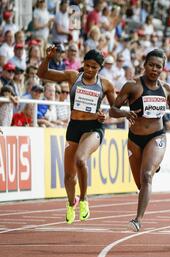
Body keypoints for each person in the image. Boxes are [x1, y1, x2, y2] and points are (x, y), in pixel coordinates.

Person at [37, 46, 116, 224]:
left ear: (100, 68)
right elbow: (42, 74)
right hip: (74, 127)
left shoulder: (105, 85)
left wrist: (106, 116)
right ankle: (70, 203)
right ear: (83, 64)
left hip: (94, 128)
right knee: (68, 176)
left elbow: (115, 109)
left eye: (94, 67)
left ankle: (84, 200)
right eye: (87, 65)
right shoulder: (73, 76)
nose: (89, 70)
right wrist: (47, 58)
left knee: (81, 159)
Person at [109, 49, 170, 232]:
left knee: (147, 175)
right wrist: (125, 113)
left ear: (163, 69)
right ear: (144, 65)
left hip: (156, 136)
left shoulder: (165, 88)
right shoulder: (132, 86)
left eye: (159, 66)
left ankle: (137, 220)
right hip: (134, 139)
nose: (154, 69)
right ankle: (151, 165)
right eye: (151, 65)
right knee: (140, 184)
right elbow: (112, 109)